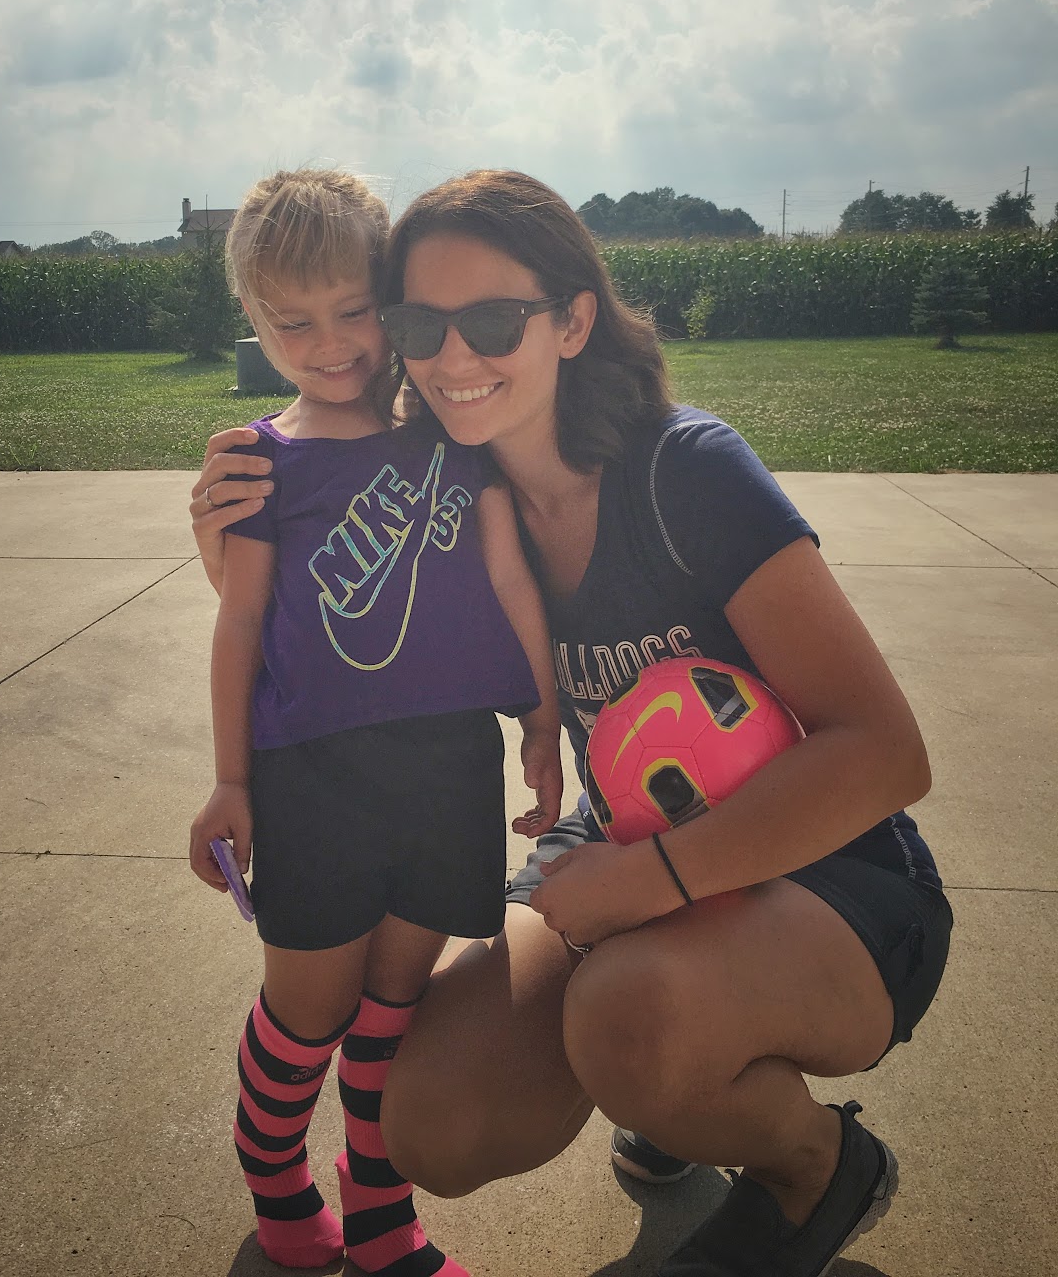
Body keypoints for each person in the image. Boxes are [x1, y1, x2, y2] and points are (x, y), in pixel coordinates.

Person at [191, 169, 953, 1277]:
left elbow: (888, 753)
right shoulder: (447, 491)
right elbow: (337, 635)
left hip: (832, 873)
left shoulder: (685, 471)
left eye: (495, 320)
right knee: (430, 1111)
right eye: (421, 324)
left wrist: (649, 883)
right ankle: (686, 1084)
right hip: (626, 846)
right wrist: (228, 556)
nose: (453, 355)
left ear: (573, 321)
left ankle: (813, 1163)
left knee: (629, 1016)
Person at [188, 168, 562, 1277]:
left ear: (389, 300)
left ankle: (381, 1213)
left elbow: (510, 579)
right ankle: (274, 1178)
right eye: (291, 322)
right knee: (308, 1015)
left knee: (393, 1012)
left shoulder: (453, 436)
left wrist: (543, 721)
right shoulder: (263, 462)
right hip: (314, 783)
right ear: (254, 320)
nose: (330, 343)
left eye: (353, 310)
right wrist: (230, 781)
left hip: (450, 771)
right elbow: (239, 620)